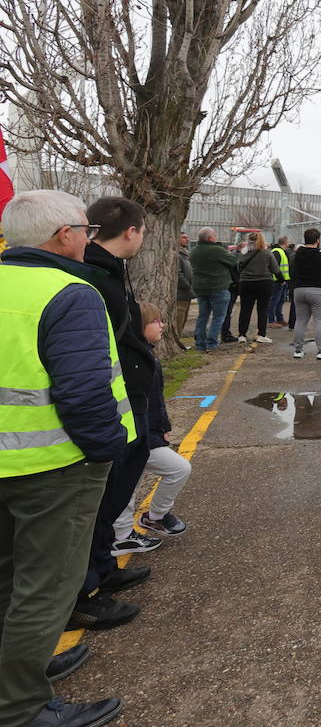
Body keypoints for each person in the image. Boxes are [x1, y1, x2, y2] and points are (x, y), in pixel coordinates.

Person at [0, 190, 133, 727]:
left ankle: (18, 671)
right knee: (47, 588)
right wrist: (105, 452)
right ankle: (20, 708)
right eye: (85, 228)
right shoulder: (69, 293)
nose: (88, 236)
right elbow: (84, 392)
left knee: (9, 579)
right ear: (63, 236)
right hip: (53, 467)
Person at [72, 196, 159, 630]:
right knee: (100, 498)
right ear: (131, 231)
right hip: (112, 402)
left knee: (117, 492)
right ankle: (86, 591)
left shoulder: (107, 270)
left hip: (130, 398)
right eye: (142, 230)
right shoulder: (91, 276)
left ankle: (104, 569)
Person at [111, 302, 191, 554]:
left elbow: (156, 399)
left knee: (133, 481)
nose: (163, 326)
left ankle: (136, 526)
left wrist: (162, 427)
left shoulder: (147, 356)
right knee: (175, 469)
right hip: (136, 435)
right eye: (156, 321)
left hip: (147, 433)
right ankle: (131, 529)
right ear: (139, 325)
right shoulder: (133, 361)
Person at [291, 228, 321, 360]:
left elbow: (292, 272)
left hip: (299, 290)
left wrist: (294, 287)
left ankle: (298, 350)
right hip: (319, 291)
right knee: (320, 322)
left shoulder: (296, 255)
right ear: (318, 240)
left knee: (300, 321)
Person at [190, 228, 236, 351]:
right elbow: (233, 261)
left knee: (203, 316)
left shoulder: (194, 251)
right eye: (215, 235)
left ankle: (200, 343)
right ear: (210, 238)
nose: (216, 237)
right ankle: (212, 342)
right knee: (218, 317)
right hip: (218, 286)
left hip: (200, 287)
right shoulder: (217, 250)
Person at [236, 232, 281, 343]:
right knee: (262, 309)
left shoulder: (243, 253)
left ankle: (242, 335)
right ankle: (261, 334)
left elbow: (238, 267)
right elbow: (275, 269)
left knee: (245, 309)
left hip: (246, 283)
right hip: (264, 283)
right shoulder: (267, 253)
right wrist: (282, 280)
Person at [174, 232, 193, 349]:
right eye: (184, 237)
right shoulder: (177, 254)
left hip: (187, 294)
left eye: (187, 237)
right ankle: (178, 342)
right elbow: (178, 274)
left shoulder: (185, 254)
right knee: (178, 320)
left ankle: (179, 342)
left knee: (184, 319)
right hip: (180, 293)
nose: (187, 239)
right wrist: (187, 285)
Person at [268, 236, 291, 328]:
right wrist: (281, 279)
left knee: (280, 301)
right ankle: (271, 320)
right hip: (277, 281)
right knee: (274, 301)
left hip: (281, 280)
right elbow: (275, 268)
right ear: (285, 243)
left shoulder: (279, 251)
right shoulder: (277, 252)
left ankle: (279, 319)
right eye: (287, 242)